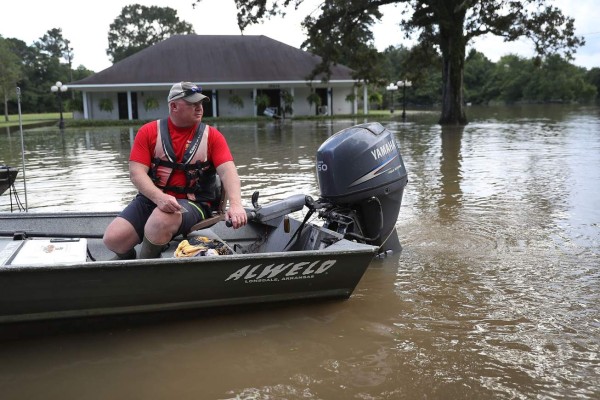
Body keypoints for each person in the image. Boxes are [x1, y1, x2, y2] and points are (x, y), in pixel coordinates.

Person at [103, 81, 247, 259]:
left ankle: (144, 267)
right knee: (113, 239)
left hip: (195, 203)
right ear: (173, 106)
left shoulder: (213, 137)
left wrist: (236, 205)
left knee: (160, 220)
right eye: (192, 104)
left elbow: (228, 172)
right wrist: (159, 197)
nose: (199, 108)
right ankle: (128, 261)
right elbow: (136, 173)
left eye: (200, 103)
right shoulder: (148, 132)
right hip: (153, 198)